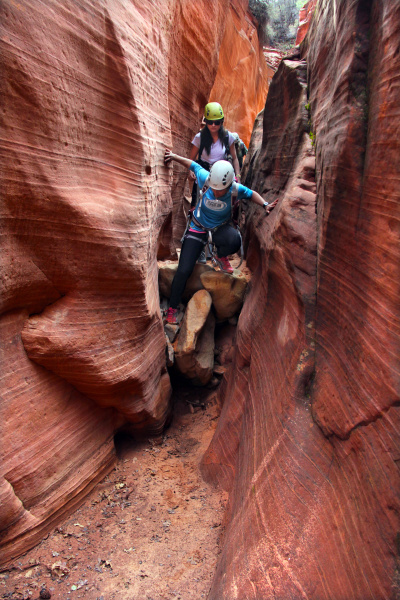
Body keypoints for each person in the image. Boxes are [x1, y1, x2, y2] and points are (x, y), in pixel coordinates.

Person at [164, 149, 278, 324]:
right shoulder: (206, 178)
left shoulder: (234, 189)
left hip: (219, 230)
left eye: (220, 190)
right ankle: (172, 308)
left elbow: (251, 193)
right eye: (215, 189)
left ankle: (220, 255)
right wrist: (174, 156)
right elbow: (192, 164)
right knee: (184, 270)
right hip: (198, 227)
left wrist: (265, 204)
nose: (217, 192)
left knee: (234, 241)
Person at [188, 102, 241, 209]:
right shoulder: (200, 138)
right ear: (206, 122)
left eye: (216, 122)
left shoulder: (227, 137)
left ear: (221, 122)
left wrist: (238, 176)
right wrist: (190, 171)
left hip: (222, 174)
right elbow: (191, 158)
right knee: (196, 205)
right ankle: (193, 223)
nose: (213, 125)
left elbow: (234, 158)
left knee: (224, 205)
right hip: (203, 173)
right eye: (210, 122)